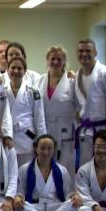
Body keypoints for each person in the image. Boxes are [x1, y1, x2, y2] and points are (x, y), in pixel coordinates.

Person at [74, 39, 106, 169]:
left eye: (88, 50)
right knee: (87, 169)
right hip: (86, 132)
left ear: (95, 52)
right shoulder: (77, 75)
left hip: (104, 128)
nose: (84, 54)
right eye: (80, 51)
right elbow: (80, 103)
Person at [13, 134, 81, 211]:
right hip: (35, 206)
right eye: (42, 148)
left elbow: (69, 193)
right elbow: (20, 192)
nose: (46, 152)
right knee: (18, 208)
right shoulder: (25, 169)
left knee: (75, 206)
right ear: (36, 149)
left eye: (49, 149)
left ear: (54, 150)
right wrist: (18, 198)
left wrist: (74, 197)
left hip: (55, 207)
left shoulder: (62, 170)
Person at [38, 46, 77, 174]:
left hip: (65, 131)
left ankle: (67, 187)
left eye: (59, 59)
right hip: (45, 128)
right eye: (52, 58)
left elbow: (80, 106)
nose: (55, 62)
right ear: (47, 60)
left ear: (64, 61)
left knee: (65, 167)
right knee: (45, 166)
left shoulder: (72, 81)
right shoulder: (40, 80)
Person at [5, 55, 46, 166]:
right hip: (8, 139)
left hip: (27, 138)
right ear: (7, 70)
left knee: (26, 172)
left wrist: (42, 142)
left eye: (19, 68)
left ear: (24, 71)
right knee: (9, 173)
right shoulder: (2, 91)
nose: (16, 71)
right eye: (13, 68)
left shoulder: (33, 92)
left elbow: (40, 119)